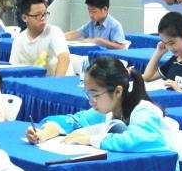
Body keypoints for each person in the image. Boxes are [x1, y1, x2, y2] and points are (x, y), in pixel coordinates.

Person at [27, 56, 173, 154]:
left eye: (95, 95)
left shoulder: (144, 110)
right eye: (88, 94)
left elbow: (139, 139)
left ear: (117, 91)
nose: (91, 101)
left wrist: (90, 139)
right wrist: (43, 134)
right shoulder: (107, 110)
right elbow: (70, 121)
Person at [10, 0, 70, 76]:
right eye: (37, 15)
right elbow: (13, 69)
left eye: (45, 14)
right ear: (24, 18)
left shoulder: (54, 32)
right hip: (33, 82)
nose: (43, 18)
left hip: (57, 82)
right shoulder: (19, 40)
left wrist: (56, 82)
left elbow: (64, 57)